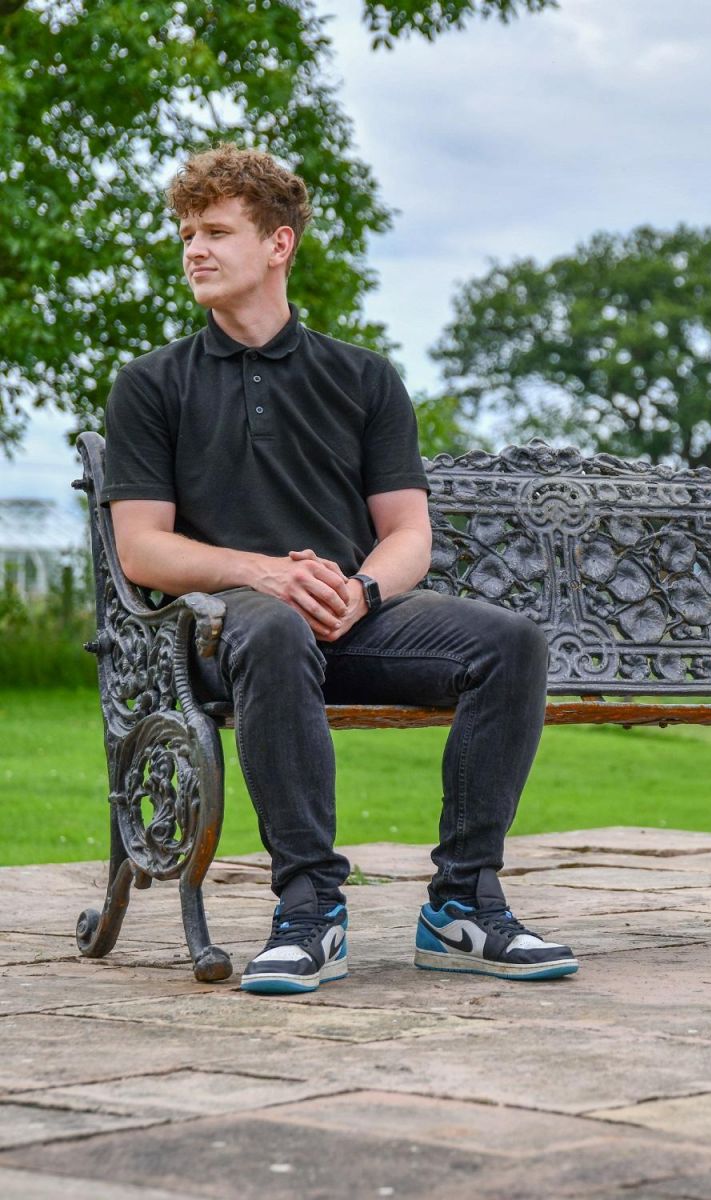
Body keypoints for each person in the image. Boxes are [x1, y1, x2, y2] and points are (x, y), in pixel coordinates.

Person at [102, 144, 577, 995]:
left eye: (216, 232)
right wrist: (265, 575)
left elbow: (408, 534)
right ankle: (310, 911)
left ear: (278, 244)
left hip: (349, 622)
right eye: (186, 235)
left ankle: (463, 904)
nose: (194, 250)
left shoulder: (363, 378)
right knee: (274, 628)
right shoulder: (150, 385)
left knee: (510, 643)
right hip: (218, 632)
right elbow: (143, 549)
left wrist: (361, 592)